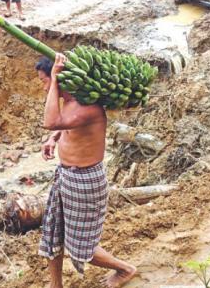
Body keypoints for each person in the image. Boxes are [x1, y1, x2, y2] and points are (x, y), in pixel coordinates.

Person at [35, 55, 137, 288]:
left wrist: (54, 79)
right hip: (66, 175)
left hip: (85, 182)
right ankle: (55, 284)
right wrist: (54, 139)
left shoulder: (87, 108)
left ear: (60, 78)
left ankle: (125, 269)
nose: (43, 87)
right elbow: (62, 127)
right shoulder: (73, 104)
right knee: (53, 233)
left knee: (81, 247)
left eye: (44, 81)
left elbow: (51, 121)